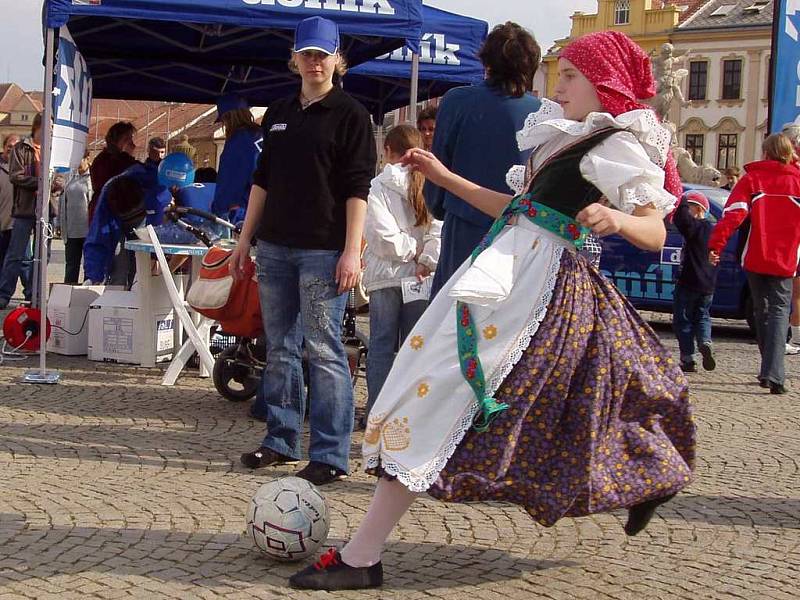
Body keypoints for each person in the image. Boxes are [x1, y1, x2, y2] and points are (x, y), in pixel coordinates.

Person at [288, 31, 694, 591]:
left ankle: (362, 556)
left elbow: (654, 229)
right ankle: (648, 473)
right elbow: (518, 209)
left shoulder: (615, 143)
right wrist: (445, 178)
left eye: (571, 75)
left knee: (441, 399)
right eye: (560, 72)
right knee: (462, 397)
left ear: (605, 83)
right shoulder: (560, 138)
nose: (559, 84)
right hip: (504, 271)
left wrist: (619, 219)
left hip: (540, 287)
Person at [231, 16, 376, 486]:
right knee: (280, 349)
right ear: (294, 59)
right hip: (274, 247)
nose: (314, 62)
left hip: (323, 249)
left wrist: (352, 250)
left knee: (325, 349)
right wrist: (244, 238)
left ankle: (331, 453)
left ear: (337, 60)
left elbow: (358, 189)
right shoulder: (277, 113)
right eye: (306, 54)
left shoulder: (352, 115)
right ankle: (281, 439)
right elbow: (262, 181)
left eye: (322, 54)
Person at [426, 22, 542, 299]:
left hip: (464, 224)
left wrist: (438, 206)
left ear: (486, 62)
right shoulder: (544, 112)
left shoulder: (457, 101)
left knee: (453, 316)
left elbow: (439, 165)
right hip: (521, 232)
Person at [362, 124, 442, 425]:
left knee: (382, 345)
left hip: (387, 274)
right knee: (414, 347)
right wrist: (425, 257)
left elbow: (380, 236)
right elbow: (439, 228)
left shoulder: (378, 186)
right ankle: (410, 415)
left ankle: (376, 414)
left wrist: (411, 252)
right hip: (420, 277)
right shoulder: (431, 183)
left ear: (387, 151)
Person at [709, 133, 800, 394]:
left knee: (762, 311)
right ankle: (774, 374)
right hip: (786, 257)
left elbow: (732, 216)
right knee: (779, 311)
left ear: (766, 152)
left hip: (755, 255)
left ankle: (769, 370)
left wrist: (715, 245)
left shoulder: (753, 179)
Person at [83, 161, 172, 286]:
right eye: (129, 218)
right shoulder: (108, 198)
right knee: (118, 264)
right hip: (120, 228)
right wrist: (93, 277)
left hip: (152, 221)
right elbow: (97, 240)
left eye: (135, 217)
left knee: (146, 271)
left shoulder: (159, 189)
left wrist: (156, 258)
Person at [0, 114, 45, 309]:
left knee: (42, 255)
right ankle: (3, 295)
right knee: (16, 254)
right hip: (24, 208)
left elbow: (60, 177)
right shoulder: (22, 148)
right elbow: (16, 176)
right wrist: (41, 182)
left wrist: (55, 183)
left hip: (45, 209)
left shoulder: (53, 149)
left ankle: (34, 294)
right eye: (49, 126)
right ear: (38, 126)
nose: (51, 130)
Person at [671, 190, 718, 372]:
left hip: (689, 282)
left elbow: (681, 220)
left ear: (698, 210)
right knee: (703, 316)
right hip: (708, 286)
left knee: (682, 320)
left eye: (689, 208)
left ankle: (688, 358)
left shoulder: (696, 227)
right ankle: (705, 341)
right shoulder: (713, 230)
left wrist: (679, 196)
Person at [210, 94, 262, 225]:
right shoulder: (266, 134)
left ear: (227, 118)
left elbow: (229, 183)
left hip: (246, 215)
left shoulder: (237, 142)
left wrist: (220, 210)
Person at [89, 121, 138, 223]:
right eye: (127, 139)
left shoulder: (103, 159)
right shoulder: (114, 162)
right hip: (109, 217)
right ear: (117, 141)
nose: (132, 144)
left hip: (106, 215)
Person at [779, 124, 800, 353]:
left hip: (787, 242)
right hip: (790, 242)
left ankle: (785, 338)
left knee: (787, 294)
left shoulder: (790, 171)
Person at [60, 154, 92, 284]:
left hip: (88, 231)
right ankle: (67, 294)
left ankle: (87, 295)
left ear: (87, 159)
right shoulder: (70, 177)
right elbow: (64, 203)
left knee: (89, 267)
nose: (78, 163)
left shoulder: (92, 179)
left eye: (81, 159)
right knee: (71, 267)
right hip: (71, 231)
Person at [0, 133, 20, 272]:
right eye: (9, 147)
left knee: (20, 263)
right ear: (4, 147)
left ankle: (30, 291)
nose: (11, 150)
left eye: (15, 148)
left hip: (16, 225)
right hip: (1, 224)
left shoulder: (23, 169)